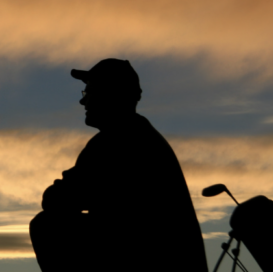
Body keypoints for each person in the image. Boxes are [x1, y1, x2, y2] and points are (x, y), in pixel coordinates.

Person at [29, 59, 208, 271]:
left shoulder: (115, 141)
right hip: (165, 256)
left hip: (147, 256)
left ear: (110, 94)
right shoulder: (140, 135)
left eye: (89, 92)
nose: (82, 102)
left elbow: (58, 200)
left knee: (48, 226)